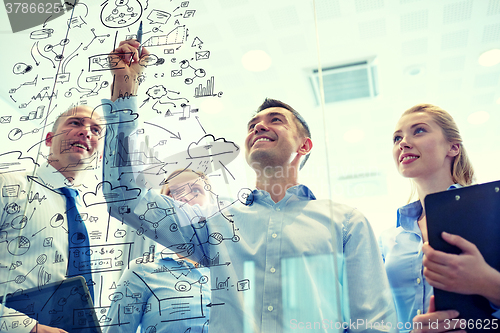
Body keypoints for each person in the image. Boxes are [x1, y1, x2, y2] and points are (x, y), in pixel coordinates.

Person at [102, 39, 397, 332]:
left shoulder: (346, 223)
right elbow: (125, 197)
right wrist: (124, 94)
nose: (258, 126)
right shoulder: (216, 223)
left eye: (276, 120)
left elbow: (373, 324)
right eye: (252, 124)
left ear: (304, 145)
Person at [379, 103, 500, 333]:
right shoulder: (388, 239)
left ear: (453, 147)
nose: (402, 143)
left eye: (419, 130)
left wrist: (487, 282)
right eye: (396, 138)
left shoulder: (493, 213)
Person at [0, 105, 104, 333]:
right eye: (75, 123)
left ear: (100, 156)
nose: (86, 132)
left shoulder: (90, 221)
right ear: (49, 139)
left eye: (96, 130)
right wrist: (25, 328)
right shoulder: (7, 186)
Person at [104, 169, 211, 333]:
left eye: (196, 190)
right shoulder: (140, 272)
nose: (184, 197)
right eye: (173, 192)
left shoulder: (239, 268)